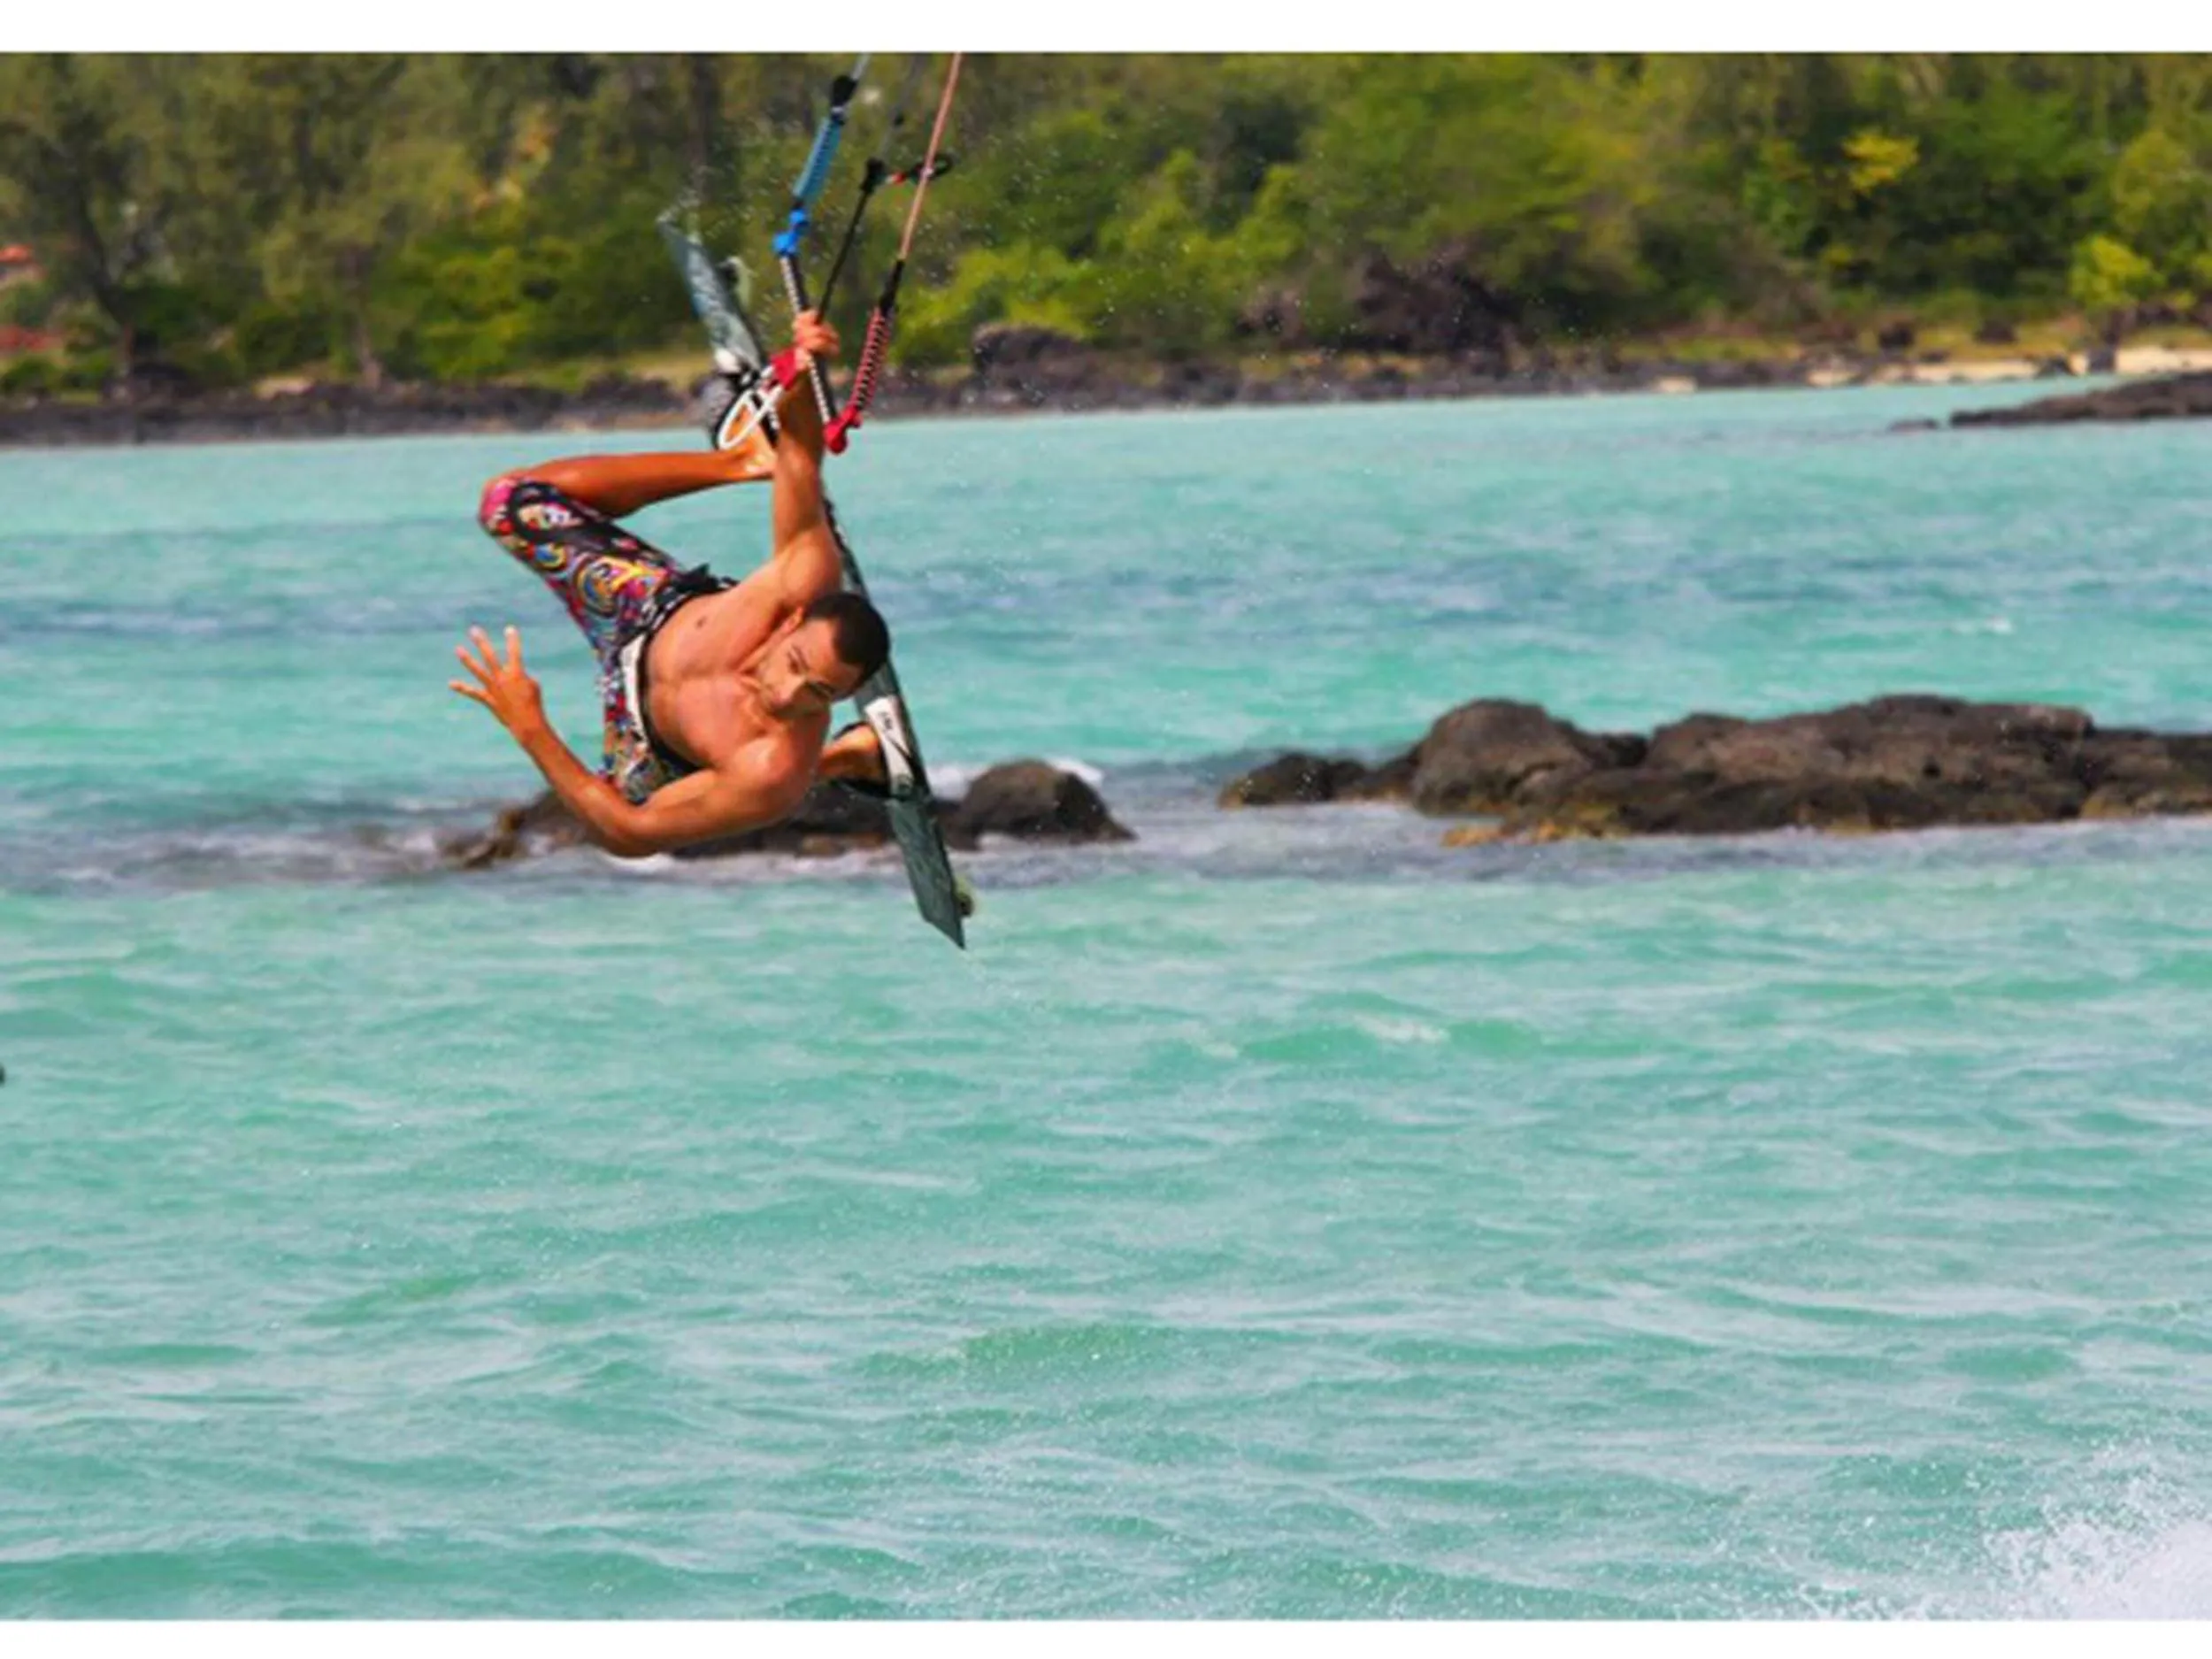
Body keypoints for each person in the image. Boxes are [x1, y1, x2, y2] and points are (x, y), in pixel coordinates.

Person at [455, 311, 895, 857]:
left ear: (845, 696)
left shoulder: (770, 769)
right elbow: (800, 457)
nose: (787, 694)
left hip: (646, 743)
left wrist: (530, 727)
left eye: (821, 695)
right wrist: (804, 373)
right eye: (796, 665)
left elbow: (630, 837)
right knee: (507, 502)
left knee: (618, 814)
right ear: (794, 622)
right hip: (644, 610)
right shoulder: (799, 582)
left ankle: (843, 757)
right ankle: (739, 460)